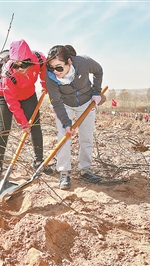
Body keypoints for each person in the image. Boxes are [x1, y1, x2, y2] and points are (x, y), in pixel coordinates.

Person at [0, 39, 53, 179]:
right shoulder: (7, 74)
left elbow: (44, 70)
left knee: (36, 126)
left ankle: (38, 161)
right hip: (6, 97)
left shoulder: (39, 59)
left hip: (28, 95)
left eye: (24, 64)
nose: (20, 69)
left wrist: (44, 84)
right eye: (16, 65)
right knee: (3, 129)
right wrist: (23, 123)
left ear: (30, 60)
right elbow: (12, 102)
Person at [45, 45, 105, 190]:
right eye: (51, 68)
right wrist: (66, 124)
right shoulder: (50, 77)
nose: (55, 72)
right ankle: (64, 172)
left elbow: (98, 70)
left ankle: (85, 170)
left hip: (86, 103)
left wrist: (96, 92)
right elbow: (56, 102)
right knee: (63, 136)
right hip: (65, 104)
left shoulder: (83, 63)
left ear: (69, 62)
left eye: (59, 68)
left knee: (86, 137)